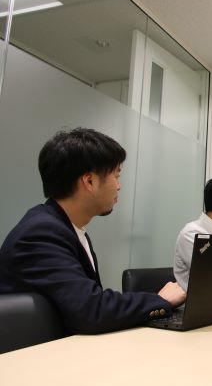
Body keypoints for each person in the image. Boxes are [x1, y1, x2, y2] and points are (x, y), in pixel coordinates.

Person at [0, 128, 186, 335]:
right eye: (116, 175)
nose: (119, 186)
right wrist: (159, 300)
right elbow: (91, 310)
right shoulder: (40, 233)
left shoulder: (67, 228)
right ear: (90, 181)